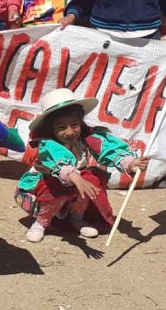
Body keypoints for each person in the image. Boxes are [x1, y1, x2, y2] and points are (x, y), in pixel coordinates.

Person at [16, 89, 146, 243]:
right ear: (51, 128)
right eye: (61, 127)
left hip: (78, 180)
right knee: (55, 188)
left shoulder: (88, 138)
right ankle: (41, 222)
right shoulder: (48, 145)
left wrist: (129, 163)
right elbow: (59, 162)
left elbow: (107, 150)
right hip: (49, 181)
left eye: (74, 125)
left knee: (90, 180)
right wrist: (75, 178)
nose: (70, 132)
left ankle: (77, 218)